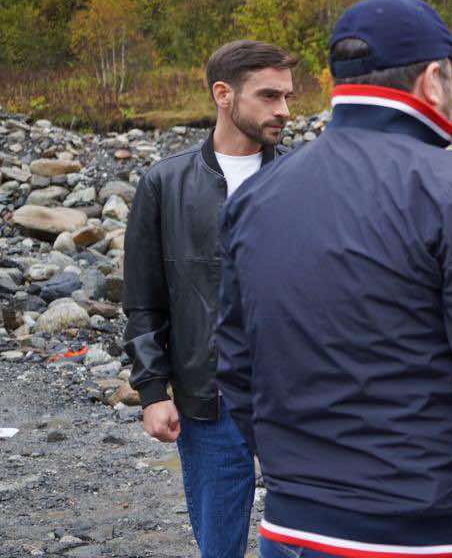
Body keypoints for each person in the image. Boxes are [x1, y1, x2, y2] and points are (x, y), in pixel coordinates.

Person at [214, 0, 452, 558]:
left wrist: (294, 474)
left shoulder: (258, 195)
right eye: (450, 75)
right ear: (431, 81)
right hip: (430, 531)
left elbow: (235, 361)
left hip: (296, 524)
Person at [123, 39, 295, 558]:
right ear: (224, 94)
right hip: (209, 398)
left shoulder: (302, 179)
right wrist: (152, 391)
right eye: (269, 96)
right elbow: (144, 299)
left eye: (287, 97)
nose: (284, 111)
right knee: (218, 545)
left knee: (301, 544)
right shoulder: (165, 183)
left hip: (297, 400)